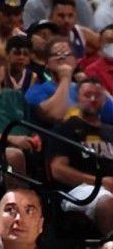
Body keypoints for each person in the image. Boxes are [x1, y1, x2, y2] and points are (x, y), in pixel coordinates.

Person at [47, 78, 113, 234]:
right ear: (78, 98)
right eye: (87, 95)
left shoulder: (110, 131)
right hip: (79, 190)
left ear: (104, 99)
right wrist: (100, 182)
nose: (93, 99)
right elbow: (57, 170)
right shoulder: (66, 128)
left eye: (97, 95)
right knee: (107, 202)